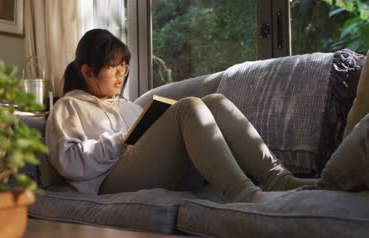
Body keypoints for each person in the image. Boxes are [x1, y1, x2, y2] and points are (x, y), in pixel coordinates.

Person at [45, 29, 369, 203]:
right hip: (108, 182)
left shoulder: (126, 106)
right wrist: (123, 141)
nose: (121, 74)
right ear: (87, 71)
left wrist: (148, 129)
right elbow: (69, 161)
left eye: (124, 65)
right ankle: (246, 194)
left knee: (214, 100)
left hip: (149, 168)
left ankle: (277, 179)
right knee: (187, 107)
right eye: (112, 66)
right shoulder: (69, 107)